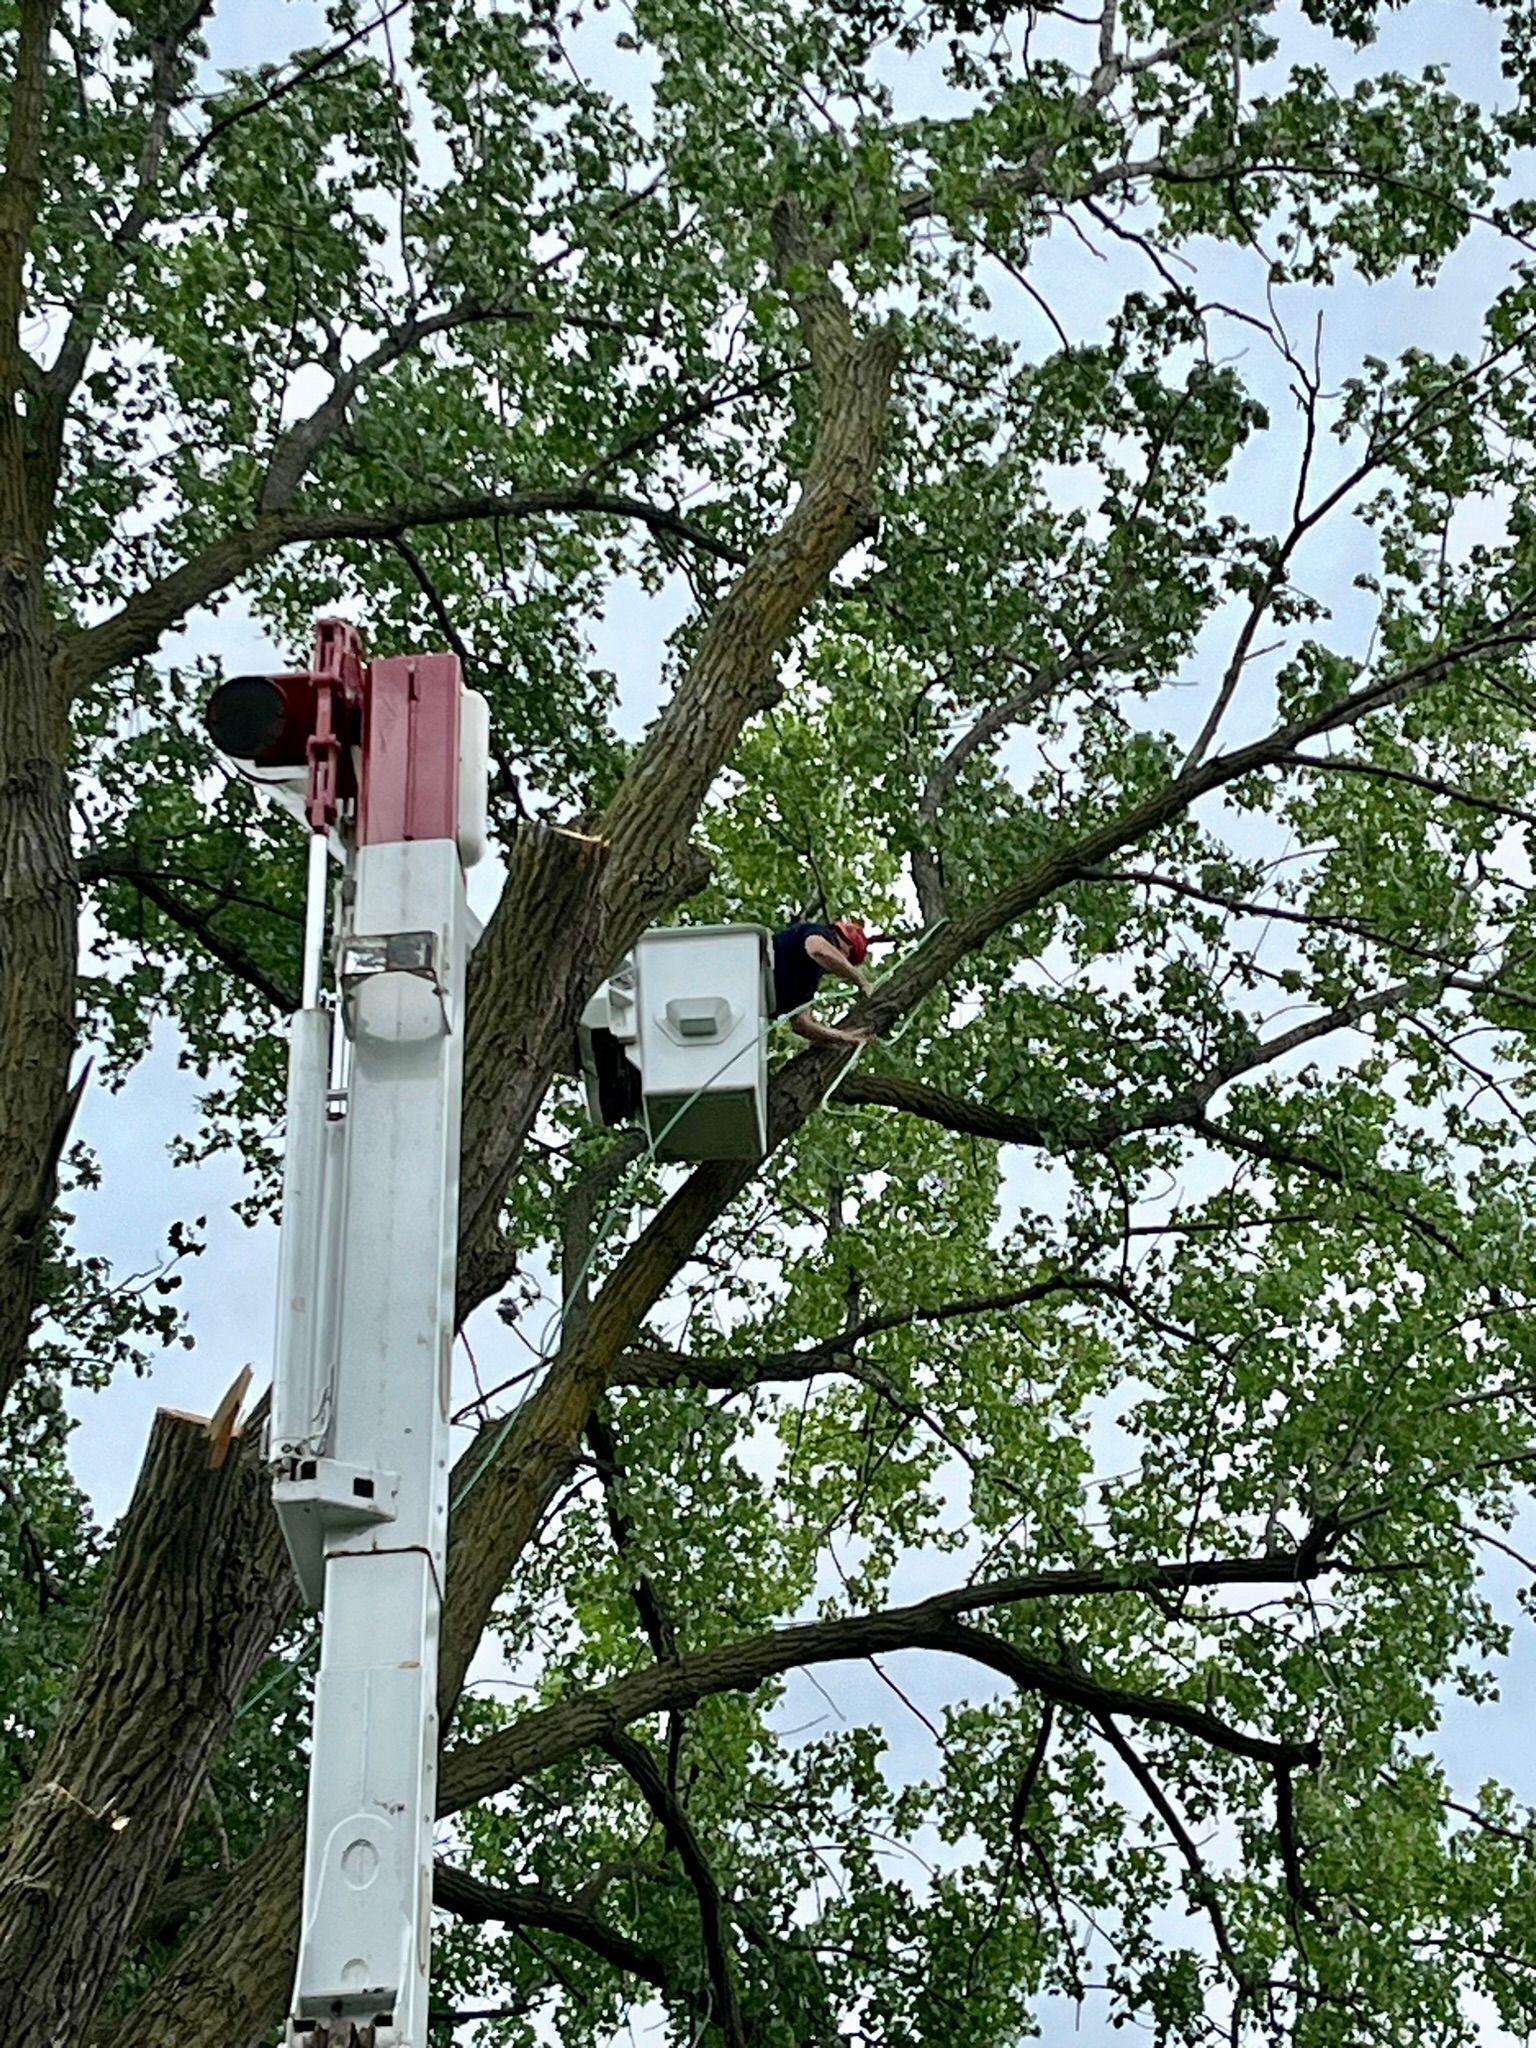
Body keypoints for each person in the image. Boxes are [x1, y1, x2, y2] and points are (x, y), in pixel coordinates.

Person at [772, 918, 876, 1048]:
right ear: (847, 949)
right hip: (753, 971)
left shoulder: (810, 980)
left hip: (751, 1004)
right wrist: (861, 981)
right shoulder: (819, 933)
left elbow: (802, 1024)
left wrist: (844, 1037)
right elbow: (817, 948)